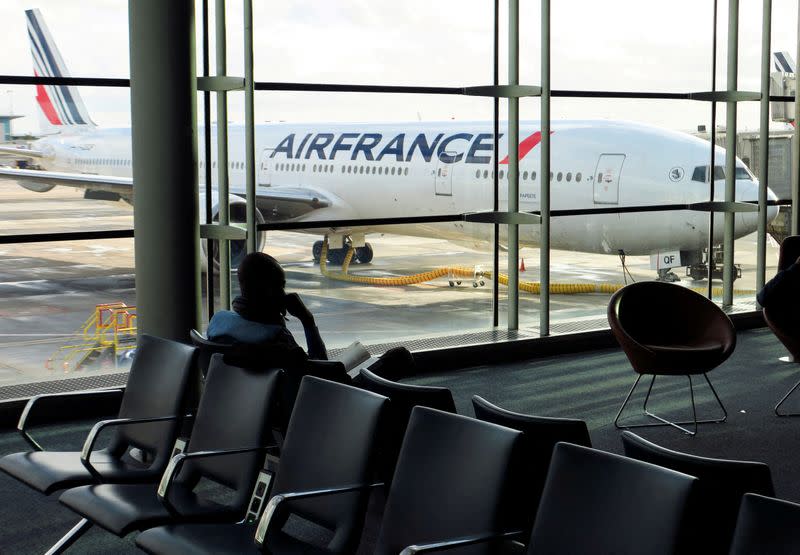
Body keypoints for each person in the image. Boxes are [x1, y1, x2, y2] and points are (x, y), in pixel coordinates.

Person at [206, 252, 328, 360]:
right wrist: (307, 320)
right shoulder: (278, 338)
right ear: (272, 291)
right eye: (281, 286)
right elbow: (321, 373)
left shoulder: (217, 322)